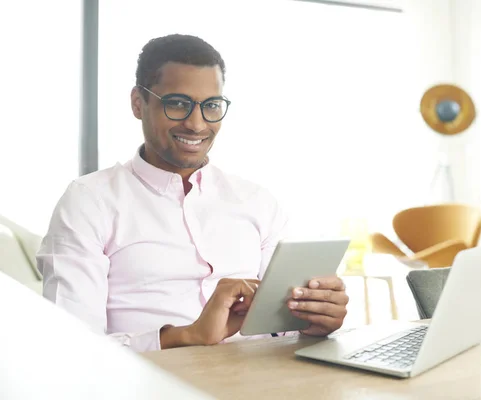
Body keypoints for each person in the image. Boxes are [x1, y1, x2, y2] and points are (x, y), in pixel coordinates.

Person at [37, 34, 349, 352]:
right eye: (177, 104)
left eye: (211, 105)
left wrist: (316, 320)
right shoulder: (89, 201)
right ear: (137, 103)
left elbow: (284, 329)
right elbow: (70, 348)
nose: (197, 124)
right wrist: (186, 335)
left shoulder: (257, 201)